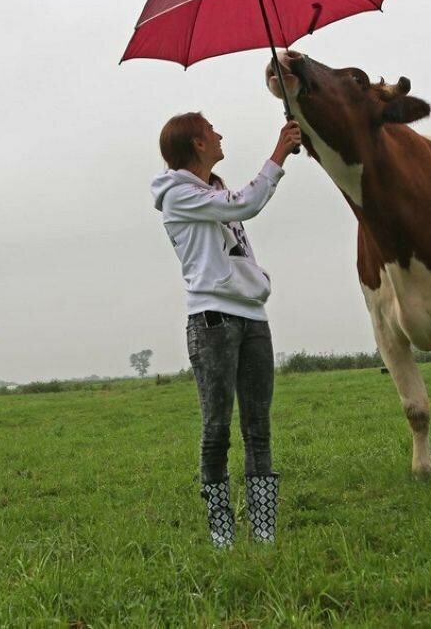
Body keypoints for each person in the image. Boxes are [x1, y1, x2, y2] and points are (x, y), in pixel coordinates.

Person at [150, 112, 302, 548]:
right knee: (217, 428)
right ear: (197, 144)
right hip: (212, 318)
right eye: (212, 130)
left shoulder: (212, 190)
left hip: (253, 315)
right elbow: (245, 205)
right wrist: (278, 154)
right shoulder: (179, 195)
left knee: (258, 427)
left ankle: (264, 533)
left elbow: (237, 205)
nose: (219, 135)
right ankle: (222, 535)